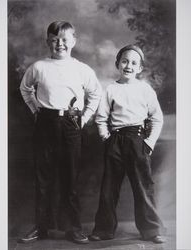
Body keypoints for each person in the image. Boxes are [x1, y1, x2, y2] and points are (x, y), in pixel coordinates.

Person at [19, 20, 102, 244]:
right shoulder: (39, 67)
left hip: (71, 124)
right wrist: (36, 109)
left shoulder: (82, 69)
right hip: (45, 123)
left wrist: (83, 119)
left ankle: (73, 228)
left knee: (70, 178)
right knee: (43, 178)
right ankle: (41, 227)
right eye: (55, 39)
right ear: (48, 42)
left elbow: (95, 94)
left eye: (64, 39)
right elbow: (25, 89)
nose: (60, 44)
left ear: (73, 41)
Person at [89, 45, 166, 244]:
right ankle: (104, 229)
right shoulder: (111, 89)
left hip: (137, 140)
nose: (128, 66)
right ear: (117, 64)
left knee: (143, 187)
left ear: (140, 68)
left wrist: (148, 143)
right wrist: (106, 137)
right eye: (124, 61)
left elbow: (157, 118)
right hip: (115, 140)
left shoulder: (145, 89)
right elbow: (101, 117)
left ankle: (151, 230)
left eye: (134, 63)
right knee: (109, 187)